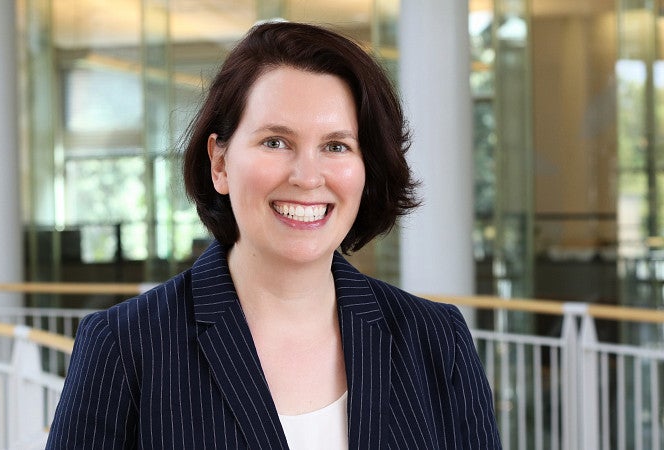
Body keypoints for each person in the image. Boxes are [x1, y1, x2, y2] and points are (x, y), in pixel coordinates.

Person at [46, 21, 501, 449]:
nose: (307, 177)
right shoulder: (125, 346)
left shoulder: (436, 340)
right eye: (275, 142)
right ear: (220, 163)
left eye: (336, 146)